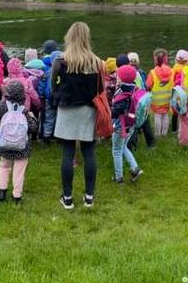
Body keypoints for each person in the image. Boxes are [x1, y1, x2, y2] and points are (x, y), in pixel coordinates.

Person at [51, 21, 103, 210]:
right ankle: (89, 197)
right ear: (86, 38)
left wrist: (59, 98)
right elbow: (101, 89)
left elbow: (53, 88)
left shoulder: (60, 61)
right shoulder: (97, 62)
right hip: (88, 110)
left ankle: (67, 199)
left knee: (67, 154)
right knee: (89, 153)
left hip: (67, 110)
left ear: (69, 37)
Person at [0, 79, 38, 205]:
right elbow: (32, 128)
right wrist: (32, 117)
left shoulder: (3, 105)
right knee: (19, 171)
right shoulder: (24, 109)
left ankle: (2, 191)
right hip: (22, 147)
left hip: (4, 144)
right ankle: (17, 196)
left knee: (4, 166)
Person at [110, 64, 144, 184]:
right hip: (130, 125)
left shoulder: (122, 94)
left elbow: (115, 112)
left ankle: (119, 178)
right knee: (123, 147)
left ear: (121, 78)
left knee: (116, 150)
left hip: (120, 127)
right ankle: (135, 168)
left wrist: (109, 114)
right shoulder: (134, 88)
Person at [145, 49, 174, 138]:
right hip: (167, 98)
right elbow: (173, 83)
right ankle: (164, 133)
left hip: (156, 100)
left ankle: (158, 134)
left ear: (155, 60)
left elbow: (148, 85)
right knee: (165, 115)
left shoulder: (152, 72)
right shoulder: (171, 71)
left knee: (158, 116)